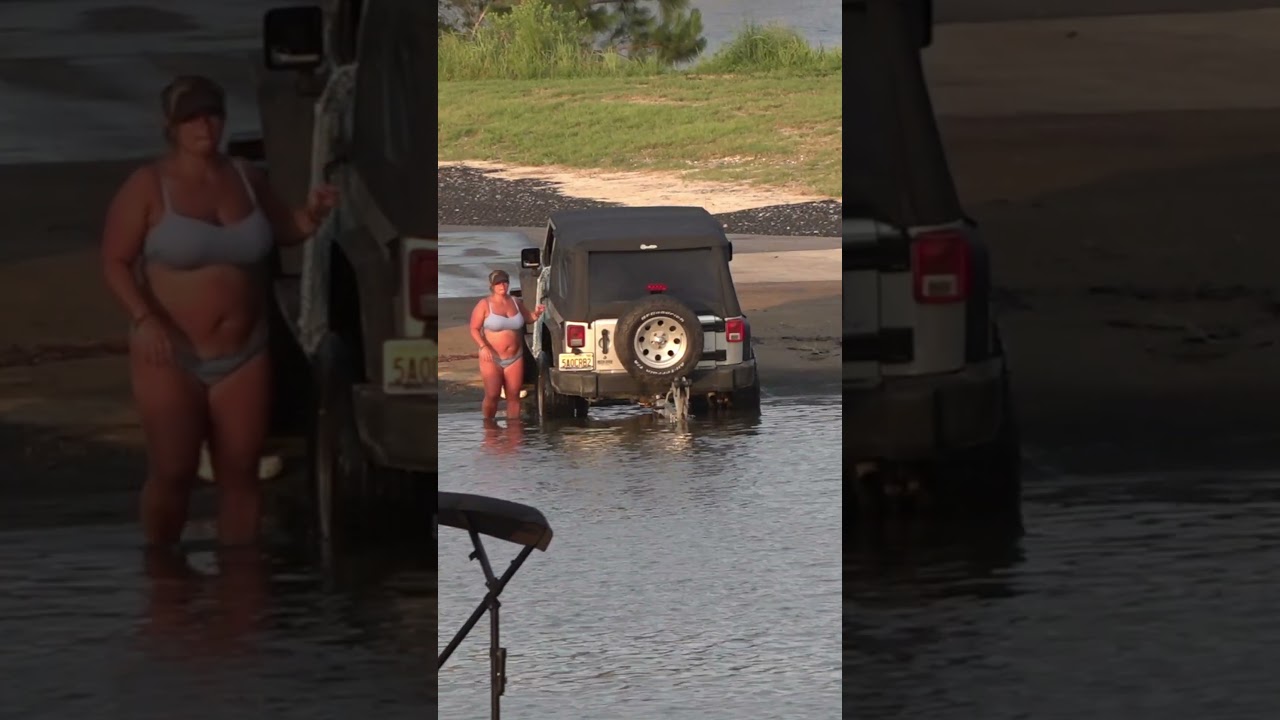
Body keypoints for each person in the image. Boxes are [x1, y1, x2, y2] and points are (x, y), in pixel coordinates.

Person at [100, 75, 338, 548]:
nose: (203, 124)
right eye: (191, 116)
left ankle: (241, 593)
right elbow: (114, 260)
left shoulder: (247, 177)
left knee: (241, 472)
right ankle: (162, 569)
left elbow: (284, 229)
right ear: (170, 125)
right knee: (174, 470)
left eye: (212, 113)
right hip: (172, 355)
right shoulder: (148, 186)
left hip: (245, 354)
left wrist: (310, 215)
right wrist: (144, 319)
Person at [469, 270, 543, 420]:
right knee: (493, 394)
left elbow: (528, 318)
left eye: (504, 281)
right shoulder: (484, 304)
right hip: (492, 357)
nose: (502, 285)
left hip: (515, 357)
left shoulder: (516, 302)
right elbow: (474, 329)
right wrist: (483, 347)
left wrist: (536, 313)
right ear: (492, 285)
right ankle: (489, 425)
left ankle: (514, 433)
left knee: (514, 395)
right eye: (498, 282)